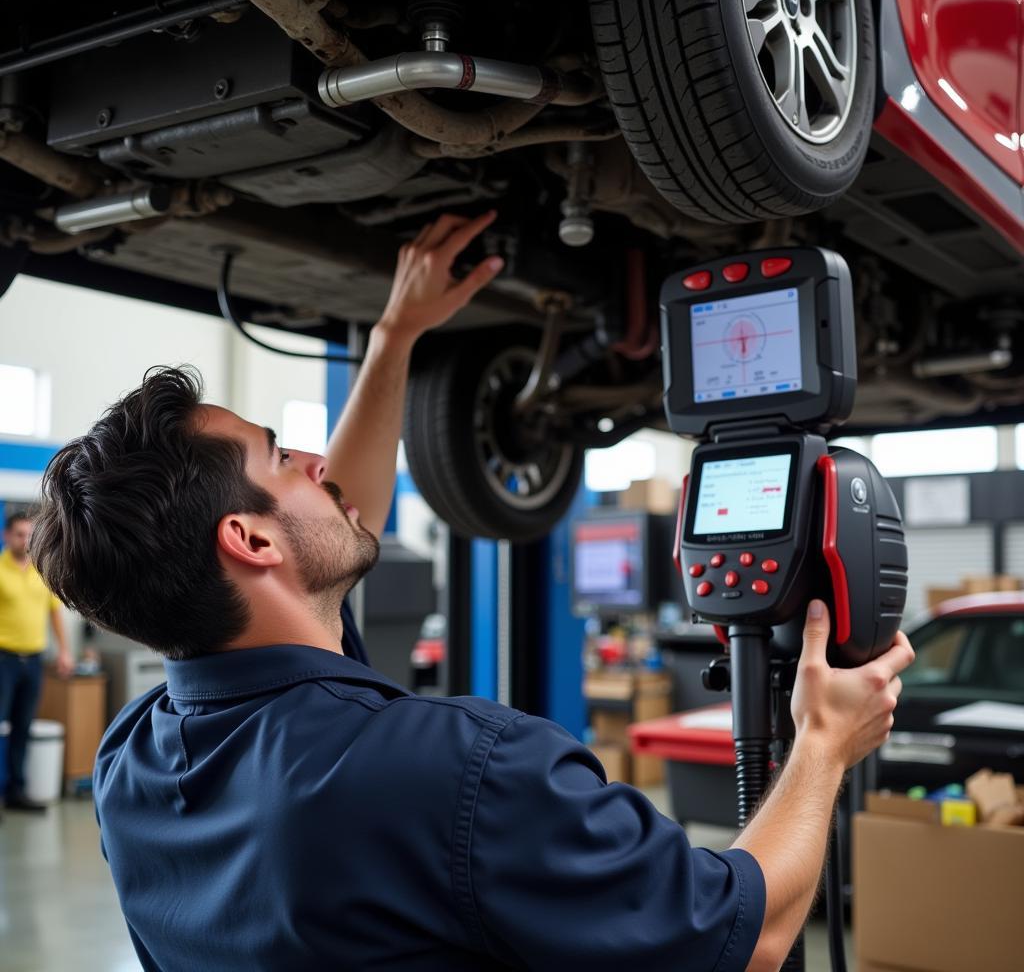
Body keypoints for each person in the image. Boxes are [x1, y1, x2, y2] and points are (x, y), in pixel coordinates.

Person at [30, 212, 914, 972]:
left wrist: (396, 338)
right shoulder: (459, 770)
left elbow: (332, 523)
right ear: (249, 539)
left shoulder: (133, 764)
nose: (315, 461)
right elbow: (742, 937)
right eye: (279, 455)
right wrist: (826, 744)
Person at [0, 510, 74, 816]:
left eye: (30, 534)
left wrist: (64, 651)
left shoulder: (41, 571)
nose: (25, 540)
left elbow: (54, 613)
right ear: (6, 536)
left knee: (23, 728)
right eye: (19, 534)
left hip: (33, 661)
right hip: (3, 659)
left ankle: (17, 791)